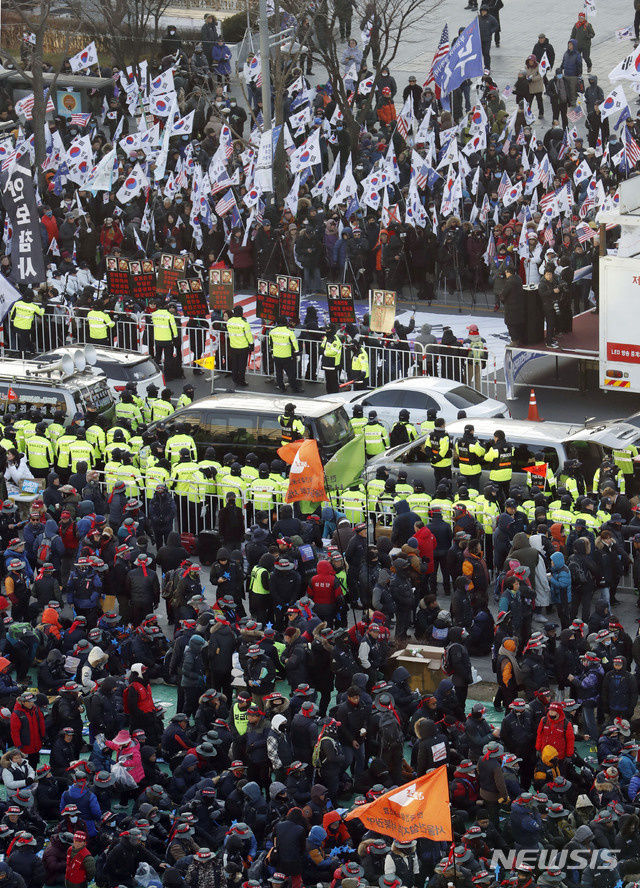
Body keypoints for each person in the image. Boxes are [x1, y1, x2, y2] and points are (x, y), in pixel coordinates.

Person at [269, 316, 303, 393]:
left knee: (279, 373)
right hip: (287, 356)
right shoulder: (289, 332)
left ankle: (282, 388)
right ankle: (295, 389)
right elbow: (294, 344)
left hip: (276, 356)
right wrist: (297, 354)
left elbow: (271, 344)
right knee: (291, 374)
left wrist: (272, 353)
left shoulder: (272, 332)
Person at [226, 305, 254, 388]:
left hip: (233, 346)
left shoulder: (229, 321)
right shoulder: (244, 323)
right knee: (242, 365)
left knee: (235, 364)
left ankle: (235, 380)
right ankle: (242, 381)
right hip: (243, 347)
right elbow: (249, 335)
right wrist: (251, 344)